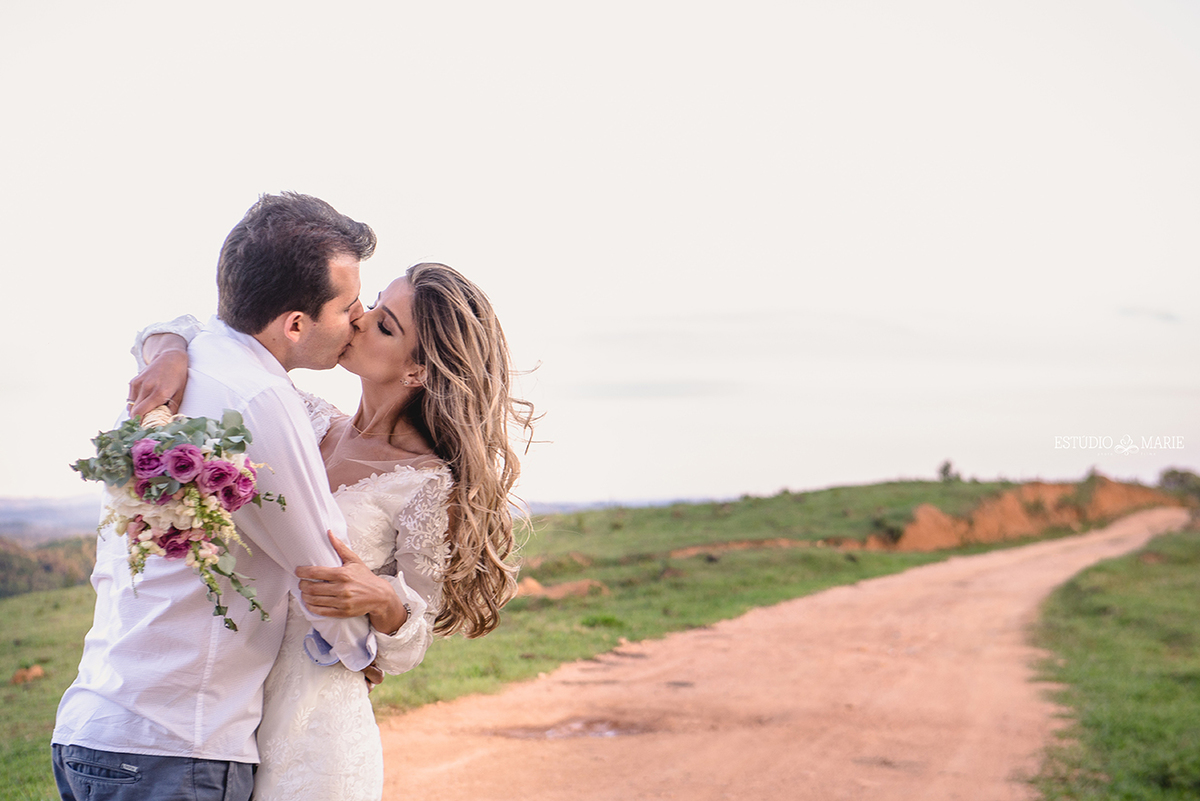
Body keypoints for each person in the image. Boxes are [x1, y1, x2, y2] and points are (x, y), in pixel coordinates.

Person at [129, 261, 534, 800]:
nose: (359, 321)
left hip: (314, 730)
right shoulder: (302, 415)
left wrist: (382, 596)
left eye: (385, 326)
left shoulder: (427, 483)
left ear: (417, 372)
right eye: (369, 306)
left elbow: (406, 646)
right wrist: (173, 353)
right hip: (217, 713)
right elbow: (202, 334)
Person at [52, 193, 383, 801]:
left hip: (89, 727)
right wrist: (369, 651)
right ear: (295, 323)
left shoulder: (180, 367)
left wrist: (167, 343)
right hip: (179, 746)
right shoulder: (262, 397)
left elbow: (169, 327)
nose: (358, 323)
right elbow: (323, 564)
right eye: (350, 307)